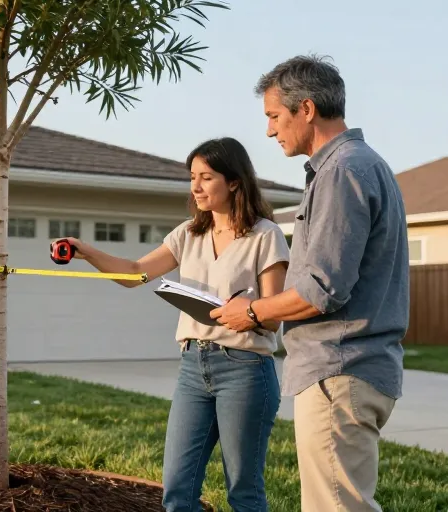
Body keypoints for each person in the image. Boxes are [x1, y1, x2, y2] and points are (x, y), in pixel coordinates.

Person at [210, 55, 409, 512]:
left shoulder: (342, 171)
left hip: (339, 370)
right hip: (353, 368)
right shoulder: (361, 165)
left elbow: (322, 290)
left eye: (274, 117)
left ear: (306, 110)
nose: (268, 131)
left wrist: (253, 312)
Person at [58, 136, 290, 511]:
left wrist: (247, 310)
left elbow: (273, 315)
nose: (195, 186)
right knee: (177, 491)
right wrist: (86, 251)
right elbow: (134, 273)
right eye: (192, 177)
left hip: (246, 370)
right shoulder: (188, 233)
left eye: (206, 177)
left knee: (243, 491)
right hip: (193, 367)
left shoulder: (265, 235)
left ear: (234, 182)